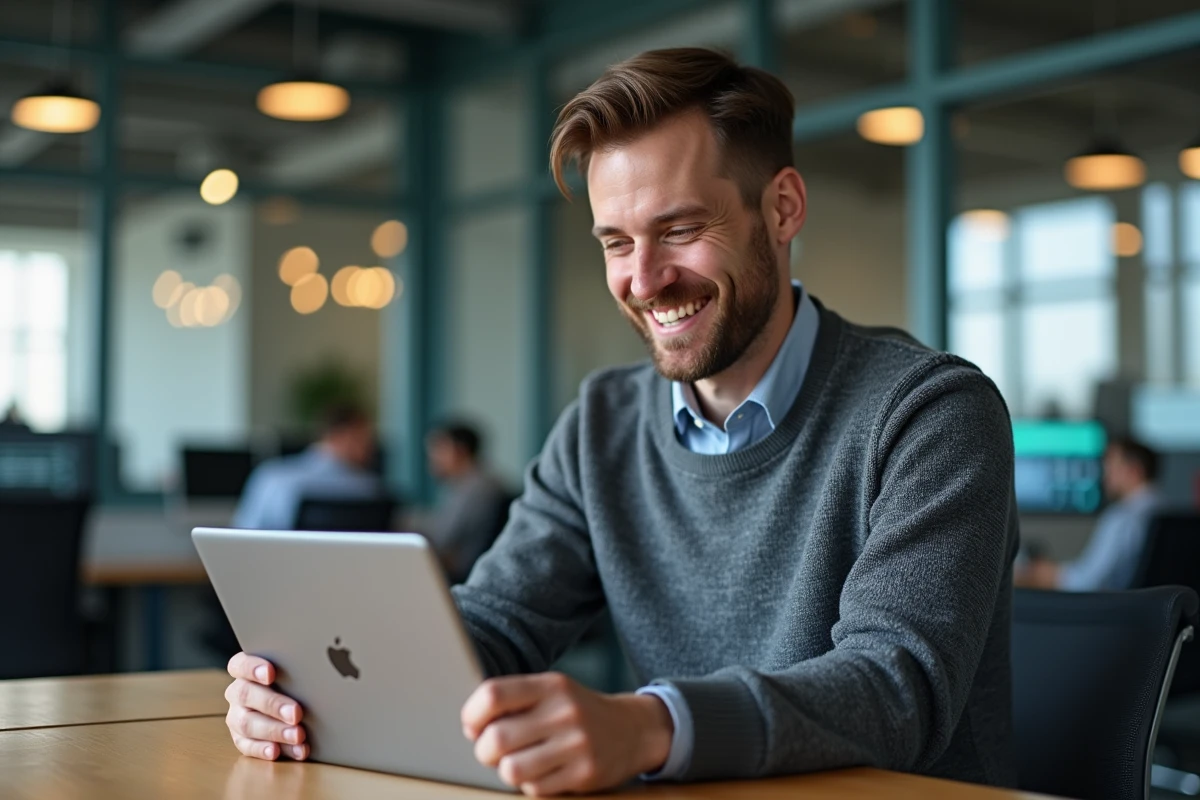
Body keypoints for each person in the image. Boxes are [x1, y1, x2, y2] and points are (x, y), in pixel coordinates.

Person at [222, 48, 1019, 794]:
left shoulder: (931, 413)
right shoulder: (602, 420)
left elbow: (896, 686)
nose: (644, 280)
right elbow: (500, 620)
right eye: (616, 242)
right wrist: (316, 693)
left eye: (680, 230)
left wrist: (649, 727)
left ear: (781, 208)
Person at [1017, 436, 1161, 591]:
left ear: (1134, 470)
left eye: (1110, 465)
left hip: (1111, 608)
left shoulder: (1123, 518)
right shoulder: (1167, 512)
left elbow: (1086, 582)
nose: (1105, 474)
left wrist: (1047, 574)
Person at [233, 403, 383, 530]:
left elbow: (243, 534)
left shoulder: (270, 476)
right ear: (342, 435)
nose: (370, 447)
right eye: (364, 438)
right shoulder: (368, 487)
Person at [423, 421, 513, 584]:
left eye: (439, 449)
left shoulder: (476, 488)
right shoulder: (478, 482)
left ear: (460, 450)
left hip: (463, 574)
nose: (433, 457)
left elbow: (443, 538)